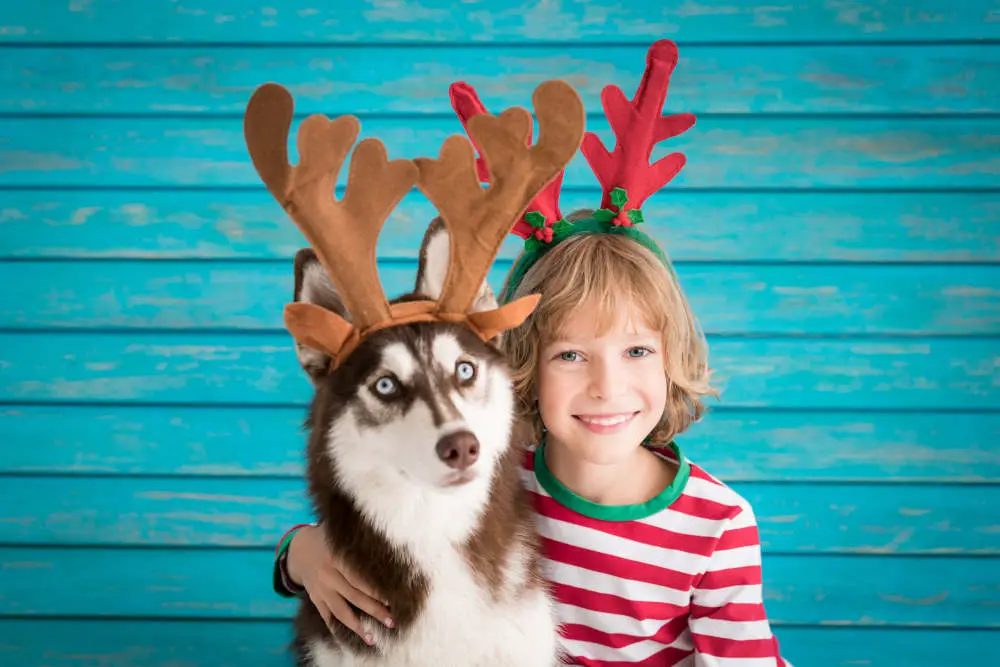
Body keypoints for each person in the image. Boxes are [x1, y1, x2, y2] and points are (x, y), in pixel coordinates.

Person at [272, 39, 790, 665]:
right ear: (521, 366)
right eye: (570, 356)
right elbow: (375, 514)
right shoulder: (493, 473)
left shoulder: (716, 526)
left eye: (635, 351)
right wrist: (301, 553)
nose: (606, 385)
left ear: (671, 357)